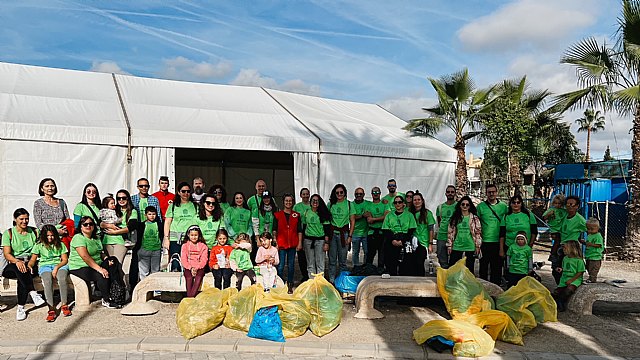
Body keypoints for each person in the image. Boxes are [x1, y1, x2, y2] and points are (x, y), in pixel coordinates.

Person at [2, 208, 45, 321]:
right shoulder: (9, 233)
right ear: (15, 219)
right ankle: (33, 293)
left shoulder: (34, 232)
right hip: (14, 262)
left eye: (26, 219)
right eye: (21, 219)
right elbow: (7, 254)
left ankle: (21, 308)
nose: (24, 221)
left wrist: (30, 263)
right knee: (19, 269)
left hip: (31, 262)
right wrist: (17, 262)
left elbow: (37, 251)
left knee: (23, 274)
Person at [68, 216, 119, 309]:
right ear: (81, 227)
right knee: (101, 275)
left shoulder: (96, 238)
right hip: (80, 266)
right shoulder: (78, 238)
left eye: (90, 224)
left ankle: (115, 291)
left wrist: (107, 259)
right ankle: (106, 299)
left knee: (113, 261)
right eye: (85, 224)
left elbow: (101, 253)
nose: (88, 226)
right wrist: (100, 269)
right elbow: (85, 257)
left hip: (95, 264)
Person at [28, 224, 71, 321]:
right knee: (47, 281)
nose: (50, 237)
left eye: (52, 235)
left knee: (62, 278)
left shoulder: (60, 244)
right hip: (45, 265)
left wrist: (56, 267)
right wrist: (30, 266)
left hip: (59, 264)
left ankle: (64, 304)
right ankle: (51, 308)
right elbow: (33, 259)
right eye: (47, 235)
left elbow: (64, 260)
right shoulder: (39, 245)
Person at [476, 184, 508, 285]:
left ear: (496, 192)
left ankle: (496, 290)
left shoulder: (503, 207)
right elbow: (476, 224)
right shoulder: (480, 207)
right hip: (485, 242)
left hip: (499, 242)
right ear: (486, 193)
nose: (491, 194)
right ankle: (483, 290)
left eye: (493, 192)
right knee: (483, 268)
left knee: (497, 268)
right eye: (489, 192)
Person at [163, 182, 199, 271]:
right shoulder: (173, 206)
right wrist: (166, 238)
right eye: (183, 191)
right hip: (175, 238)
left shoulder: (195, 205)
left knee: (189, 262)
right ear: (178, 192)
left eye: (188, 191)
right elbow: (167, 222)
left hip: (190, 238)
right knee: (176, 262)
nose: (186, 193)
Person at [273, 194, 302, 293]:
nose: (288, 202)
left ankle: (290, 283)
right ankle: (280, 283)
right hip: (281, 244)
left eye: (290, 201)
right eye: (286, 201)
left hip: (292, 244)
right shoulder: (277, 215)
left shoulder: (296, 215)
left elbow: (299, 230)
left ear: (292, 202)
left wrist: (300, 243)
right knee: (280, 265)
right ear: (283, 202)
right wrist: (275, 241)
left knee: (291, 265)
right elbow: (274, 230)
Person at [327, 184, 356, 283]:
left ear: (345, 193)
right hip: (332, 234)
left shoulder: (349, 204)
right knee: (332, 260)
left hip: (344, 234)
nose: (339, 194)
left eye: (341, 192)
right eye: (337, 192)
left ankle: (342, 281)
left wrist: (350, 236)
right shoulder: (330, 204)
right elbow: (326, 219)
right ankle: (331, 281)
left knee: (343, 261)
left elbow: (352, 221)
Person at [382, 196, 417, 276]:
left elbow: (411, 230)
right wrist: (393, 240)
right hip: (392, 238)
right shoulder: (389, 215)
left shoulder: (409, 215)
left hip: (404, 239)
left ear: (403, 204)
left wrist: (402, 241)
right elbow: (385, 230)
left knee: (405, 265)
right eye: (395, 202)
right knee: (390, 264)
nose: (397, 204)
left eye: (400, 202)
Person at [102, 190, 138, 267]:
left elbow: (131, 226)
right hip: (107, 240)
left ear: (128, 198)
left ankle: (121, 279)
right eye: (119, 198)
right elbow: (100, 223)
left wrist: (115, 232)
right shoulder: (112, 210)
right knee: (109, 266)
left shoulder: (132, 211)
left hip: (121, 241)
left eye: (123, 198)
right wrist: (109, 226)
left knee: (117, 265)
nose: (121, 200)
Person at [32, 178, 71, 250]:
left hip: (61, 239)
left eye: (52, 186)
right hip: (46, 239)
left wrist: (63, 230)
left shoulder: (61, 202)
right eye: (47, 186)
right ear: (42, 189)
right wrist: (54, 232)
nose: (50, 188)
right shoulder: (38, 203)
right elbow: (39, 224)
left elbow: (67, 220)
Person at [447, 196, 482, 273]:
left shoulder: (474, 218)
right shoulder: (455, 218)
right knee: (453, 268)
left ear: (470, 206)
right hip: (457, 246)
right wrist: (449, 245)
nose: (465, 206)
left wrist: (477, 246)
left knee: (469, 270)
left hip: (470, 246)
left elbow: (478, 233)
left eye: (467, 204)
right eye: (463, 204)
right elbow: (450, 232)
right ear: (460, 205)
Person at [301, 194, 331, 278]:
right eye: (313, 200)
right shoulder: (306, 212)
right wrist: (302, 241)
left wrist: (326, 243)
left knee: (320, 263)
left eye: (317, 200)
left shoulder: (323, 213)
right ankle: (312, 283)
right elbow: (304, 227)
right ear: (310, 202)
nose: (315, 202)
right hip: (308, 240)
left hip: (320, 241)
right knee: (310, 263)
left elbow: (327, 230)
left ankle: (320, 282)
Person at [408, 192, 436, 276]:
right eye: (415, 200)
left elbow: (431, 229)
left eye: (418, 200)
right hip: (411, 242)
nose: (417, 201)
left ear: (422, 201)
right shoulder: (409, 213)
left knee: (420, 263)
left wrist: (430, 243)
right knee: (411, 263)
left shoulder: (427, 213)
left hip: (423, 242)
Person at [553, 240, 585, 312]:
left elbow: (580, 272)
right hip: (564, 278)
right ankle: (558, 304)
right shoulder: (565, 258)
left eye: (565, 248)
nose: (563, 250)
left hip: (575, 279)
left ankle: (561, 306)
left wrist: (572, 280)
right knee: (556, 292)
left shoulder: (579, 260)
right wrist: (560, 269)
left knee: (568, 291)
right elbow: (565, 268)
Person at [180, 225, 208, 298]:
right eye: (192, 235)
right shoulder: (185, 246)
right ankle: (190, 297)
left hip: (199, 267)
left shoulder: (203, 246)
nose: (194, 237)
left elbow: (204, 259)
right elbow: (183, 259)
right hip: (188, 267)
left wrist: (197, 267)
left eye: (196, 235)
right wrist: (190, 267)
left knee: (199, 277)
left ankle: (190, 297)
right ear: (188, 235)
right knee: (189, 277)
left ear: (199, 235)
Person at [364, 186, 388, 269]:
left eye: (377, 192)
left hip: (382, 232)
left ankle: (381, 271)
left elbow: (386, 216)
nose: (375, 194)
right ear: (371, 194)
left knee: (382, 254)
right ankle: (368, 271)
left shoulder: (384, 204)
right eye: (374, 192)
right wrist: (378, 219)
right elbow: (369, 219)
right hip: (371, 233)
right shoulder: (369, 205)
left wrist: (374, 219)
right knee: (370, 254)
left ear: (380, 193)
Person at [137, 206, 163, 280]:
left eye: (153, 214)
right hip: (144, 250)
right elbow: (139, 237)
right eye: (149, 214)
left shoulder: (159, 224)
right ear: (145, 215)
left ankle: (156, 289)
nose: (152, 216)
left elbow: (161, 235)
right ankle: (144, 288)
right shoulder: (142, 225)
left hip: (156, 250)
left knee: (155, 271)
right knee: (144, 272)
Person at [436, 185, 457, 269]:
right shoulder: (440, 207)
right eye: (448, 192)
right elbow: (439, 221)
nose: (450, 193)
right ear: (445, 193)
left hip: (454, 238)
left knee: (454, 262)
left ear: (455, 193)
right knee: (442, 261)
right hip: (441, 237)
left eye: (452, 192)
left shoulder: (459, 206)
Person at [543, 194, 567, 262]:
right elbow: (544, 217)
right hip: (554, 229)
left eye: (559, 203)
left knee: (562, 242)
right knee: (557, 240)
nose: (557, 205)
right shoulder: (551, 210)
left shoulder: (564, 211)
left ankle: (559, 253)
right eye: (556, 203)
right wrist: (548, 215)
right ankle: (552, 254)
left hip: (562, 229)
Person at [351, 187, 370, 267]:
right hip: (355, 232)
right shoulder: (351, 204)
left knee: (367, 252)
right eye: (357, 194)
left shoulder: (368, 203)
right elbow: (352, 217)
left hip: (366, 232)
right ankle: (356, 267)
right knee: (355, 252)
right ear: (354, 195)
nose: (358, 195)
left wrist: (384, 201)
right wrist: (362, 215)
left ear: (364, 195)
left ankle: (365, 267)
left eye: (360, 194)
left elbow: (378, 203)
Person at [583, 217, 604, 283]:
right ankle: (591, 277)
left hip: (595, 256)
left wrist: (590, 244)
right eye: (588, 229)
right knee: (589, 267)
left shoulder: (597, 236)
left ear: (597, 228)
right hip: (589, 255)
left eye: (592, 229)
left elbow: (599, 245)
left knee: (594, 268)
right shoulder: (590, 235)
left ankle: (593, 278)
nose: (590, 230)